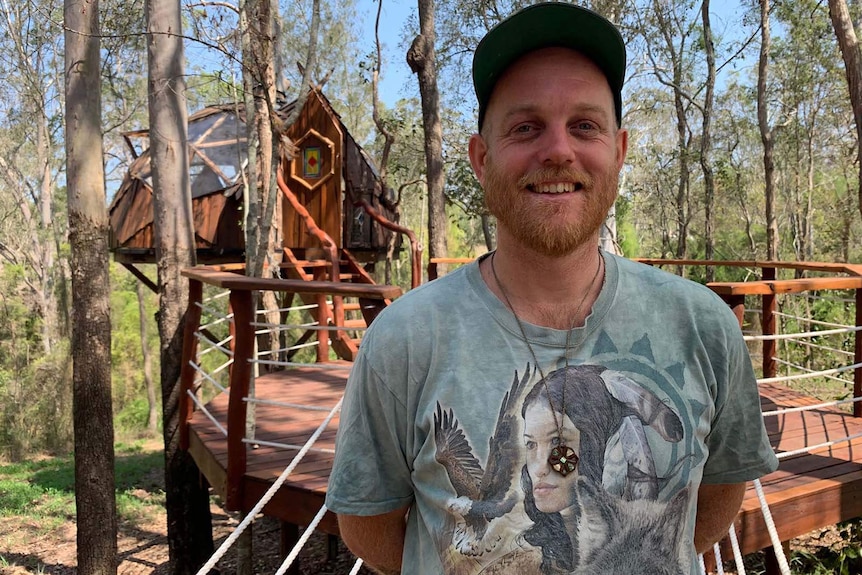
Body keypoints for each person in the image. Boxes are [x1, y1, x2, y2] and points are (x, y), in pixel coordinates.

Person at [325, 3, 779, 575]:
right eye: (525, 127)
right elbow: (370, 529)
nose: (558, 150)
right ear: (481, 158)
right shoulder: (404, 341)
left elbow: (710, 507)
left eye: (584, 126)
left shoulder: (703, 326)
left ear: (619, 149)